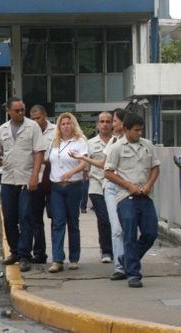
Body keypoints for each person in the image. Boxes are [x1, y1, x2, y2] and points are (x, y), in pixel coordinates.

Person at [104, 112, 160, 288]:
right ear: (126, 129)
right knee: (129, 234)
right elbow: (108, 172)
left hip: (145, 195)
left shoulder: (147, 146)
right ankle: (133, 274)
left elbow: (155, 167)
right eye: (136, 130)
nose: (139, 133)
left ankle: (126, 258)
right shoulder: (116, 147)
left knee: (151, 233)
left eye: (141, 130)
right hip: (125, 197)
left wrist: (150, 184)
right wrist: (128, 185)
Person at [0, 96, 47, 273]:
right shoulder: (3, 129)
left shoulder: (32, 127)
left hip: (26, 179)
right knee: (9, 218)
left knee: (26, 218)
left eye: (22, 109)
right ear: (8, 111)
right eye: (17, 110)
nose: (21, 112)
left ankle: (24, 255)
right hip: (8, 179)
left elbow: (39, 153)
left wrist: (34, 177)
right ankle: (14, 252)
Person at [46, 112, 87, 273]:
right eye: (62, 124)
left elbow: (84, 162)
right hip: (56, 186)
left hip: (73, 185)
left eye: (68, 123)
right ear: (59, 126)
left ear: (73, 125)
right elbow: (47, 159)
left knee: (73, 222)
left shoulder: (80, 141)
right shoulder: (54, 142)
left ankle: (74, 258)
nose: (65, 126)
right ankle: (57, 259)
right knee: (58, 222)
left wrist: (72, 172)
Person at [71, 111, 114, 263]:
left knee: (116, 219)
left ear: (113, 124)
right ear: (97, 124)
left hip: (116, 185)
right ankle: (106, 251)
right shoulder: (90, 144)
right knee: (103, 218)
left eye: (108, 121)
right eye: (102, 121)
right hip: (97, 186)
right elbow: (84, 164)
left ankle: (118, 248)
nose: (105, 124)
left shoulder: (118, 142)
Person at [28, 104, 55, 264]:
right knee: (35, 218)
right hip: (36, 179)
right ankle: (39, 253)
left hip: (53, 179)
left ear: (45, 115)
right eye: (33, 119)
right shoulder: (29, 131)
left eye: (38, 118)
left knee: (55, 217)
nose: (36, 121)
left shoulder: (56, 130)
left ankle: (58, 254)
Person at [103, 108, 127, 280]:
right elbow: (104, 165)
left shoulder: (134, 142)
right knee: (117, 229)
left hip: (128, 189)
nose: (112, 124)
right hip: (111, 187)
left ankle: (129, 262)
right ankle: (120, 267)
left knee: (130, 228)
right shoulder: (112, 141)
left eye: (115, 120)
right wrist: (84, 159)